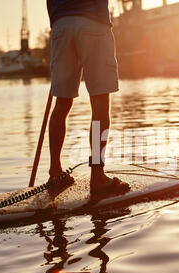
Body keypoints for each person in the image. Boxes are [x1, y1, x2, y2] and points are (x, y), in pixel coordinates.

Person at [46, 0, 130, 195]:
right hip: (93, 23)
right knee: (100, 102)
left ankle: (55, 172)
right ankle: (97, 175)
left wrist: (59, 22)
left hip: (61, 25)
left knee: (62, 102)